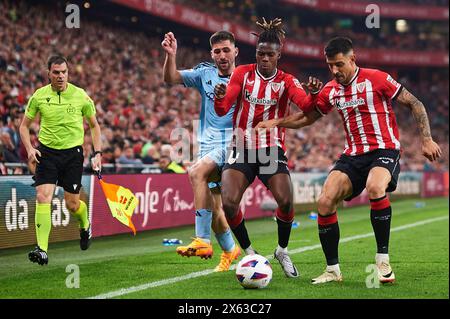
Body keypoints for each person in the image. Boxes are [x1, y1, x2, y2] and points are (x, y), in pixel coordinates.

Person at [256, 36, 442, 284]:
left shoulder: (377, 78)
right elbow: (308, 117)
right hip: (353, 154)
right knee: (324, 201)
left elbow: (414, 103)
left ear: (352, 59)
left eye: (339, 64)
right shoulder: (330, 90)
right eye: (330, 65)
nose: (334, 70)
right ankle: (333, 270)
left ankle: (382, 262)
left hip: (384, 149)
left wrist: (426, 139)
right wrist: (277, 122)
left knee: (376, 187)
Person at [213, 18, 321, 278]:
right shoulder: (242, 73)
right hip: (241, 145)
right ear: (256, 53)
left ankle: (282, 250)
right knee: (229, 203)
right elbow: (224, 107)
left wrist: (314, 94)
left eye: (270, 54)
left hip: (271, 149)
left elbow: (307, 107)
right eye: (260, 53)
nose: (264, 58)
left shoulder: (287, 81)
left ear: (278, 56)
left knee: (285, 200)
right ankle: (251, 255)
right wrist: (219, 97)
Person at [161, 31, 241, 271]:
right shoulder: (205, 73)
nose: (222, 55)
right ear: (211, 54)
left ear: (235, 51)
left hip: (231, 145)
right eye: (217, 51)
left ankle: (202, 241)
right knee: (216, 211)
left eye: (226, 50)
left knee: (196, 172)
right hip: (207, 146)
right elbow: (171, 78)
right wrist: (171, 55)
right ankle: (230, 250)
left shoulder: (245, 77)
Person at [19, 55, 102, 265]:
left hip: (72, 155)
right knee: (43, 196)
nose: (60, 76)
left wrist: (97, 154)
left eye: (63, 72)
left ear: (68, 72)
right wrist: (30, 149)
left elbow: (94, 125)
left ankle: (85, 224)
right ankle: (42, 250)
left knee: (72, 205)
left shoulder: (81, 96)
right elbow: (23, 126)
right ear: (48, 73)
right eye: (56, 72)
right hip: (46, 154)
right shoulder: (39, 96)